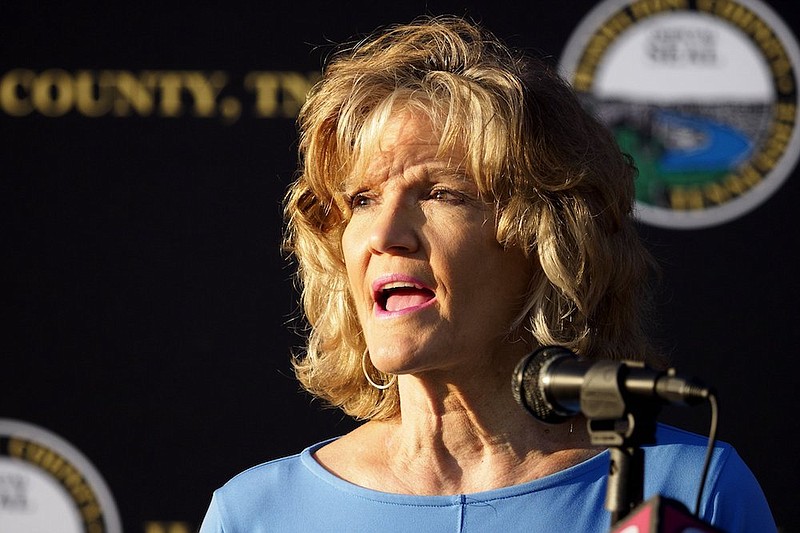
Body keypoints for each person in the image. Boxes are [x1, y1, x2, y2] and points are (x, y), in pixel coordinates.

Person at [199, 16, 775, 532]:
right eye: (362, 200)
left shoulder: (688, 493)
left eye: (442, 194)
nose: (383, 235)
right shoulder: (255, 514)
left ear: (545, 238)